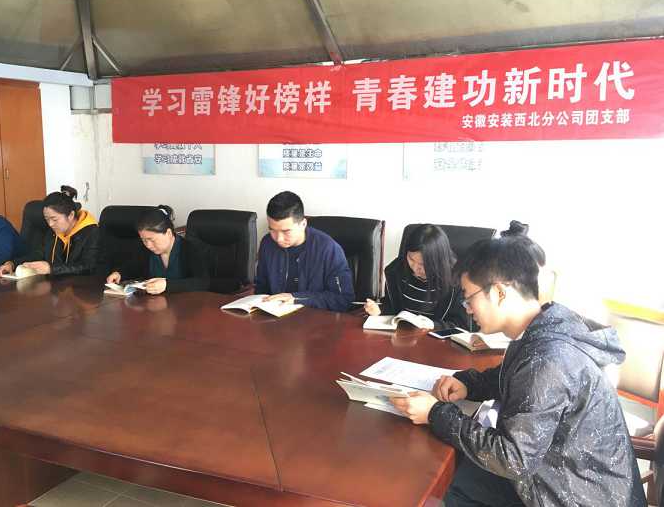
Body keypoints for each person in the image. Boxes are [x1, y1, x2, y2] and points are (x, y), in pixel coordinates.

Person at [390, 238, 646, 507]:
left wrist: (435, 413)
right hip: (561, 472)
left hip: (577, 495)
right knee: (462, 476)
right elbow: (514, 376)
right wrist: (469, 385)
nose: (467, 308)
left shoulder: (549, 360)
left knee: (455, 484)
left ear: (499, 292)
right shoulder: (547, 327)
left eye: (468, 298)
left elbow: (512, 458)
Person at [255, 191, 354, 312]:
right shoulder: (267, 243)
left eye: (286, 231)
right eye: (272, 230)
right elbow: (261, 287)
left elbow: (343, 299)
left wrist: (297, 298)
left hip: (315, 318)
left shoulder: (328, 249)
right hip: (275, 316)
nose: (278, 238)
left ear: (303, 224)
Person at [364, 224, 468, 330]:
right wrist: (379, 309)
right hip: (400, 335)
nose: (415, 268)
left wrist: (433, 325)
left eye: (423, 264)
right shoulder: (395, 271)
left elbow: (463, 326)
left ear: (438, 261)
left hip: (434, 338)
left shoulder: (457, 281)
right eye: (411, 259)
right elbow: (391, 305)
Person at [0, 186, 99, 277]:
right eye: (47, 219)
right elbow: (39, 254)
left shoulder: (92, 232)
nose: (50, 224)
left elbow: (88, 266)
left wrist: (51, 268)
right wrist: (12, 264)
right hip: (56, 287)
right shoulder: (55, 230)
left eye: (54, 219)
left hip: (81, 290)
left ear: (70, 215)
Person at [105, 205, 211, 295]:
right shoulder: (145, 249)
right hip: (154, 305)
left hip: (184, 306)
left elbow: (202, 282)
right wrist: (119, 273)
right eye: (144, 240)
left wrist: (167, 285)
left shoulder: (190, 249)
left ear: (168, 233)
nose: (148, 245)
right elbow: (133, 266)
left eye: (152, 240)